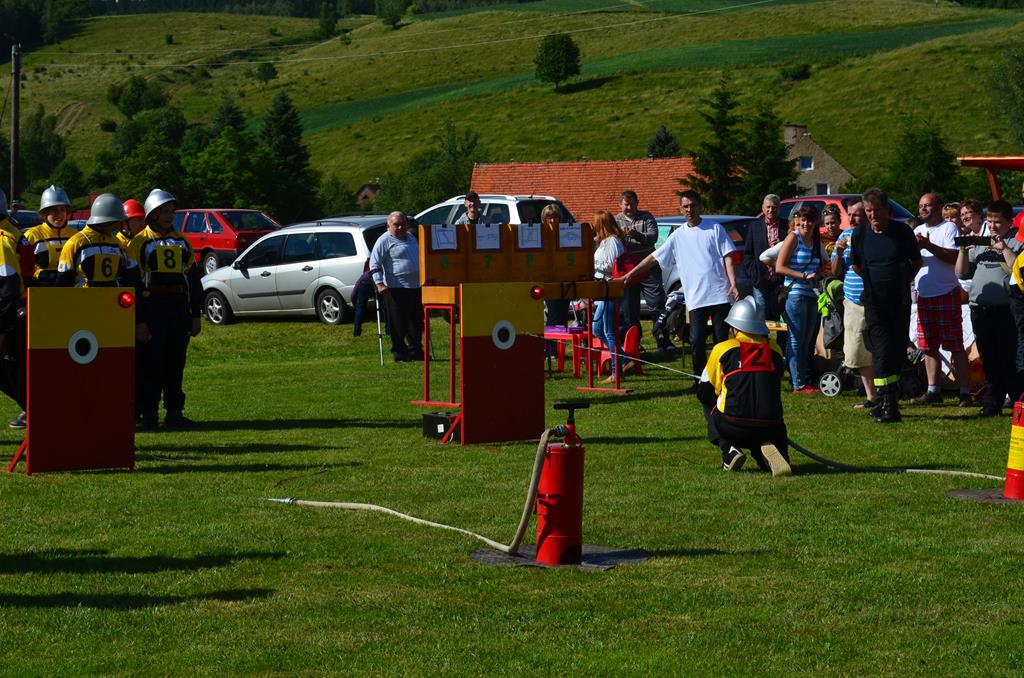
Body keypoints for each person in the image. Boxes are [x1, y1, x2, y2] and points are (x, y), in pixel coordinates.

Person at [620, 189, 738, 390]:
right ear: (681, 209)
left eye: (692, 205)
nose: (689, 209)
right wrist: (630, 274)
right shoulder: (678, 236)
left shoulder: (715, 228)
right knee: (696, 341)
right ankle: (700, 382)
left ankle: (726, 380)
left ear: (700, 206)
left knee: (721, 341)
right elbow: (653, 258)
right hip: (696, 298)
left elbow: (727, 256)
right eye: (685, 206)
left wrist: (733, 283)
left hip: (720, 294)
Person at [126, 189, 203, 432]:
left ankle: (174, 412)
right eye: (164, 212)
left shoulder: (182, 241)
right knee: (151, 364)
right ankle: (148, 414)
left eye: (172, 211)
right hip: (152, 308)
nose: (170, 216)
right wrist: (139, 320)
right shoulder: (139, 243)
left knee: (175, 363)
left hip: (177, 309)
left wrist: (195, 314)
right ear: (152, 214)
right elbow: (133, 284)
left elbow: (193, 280)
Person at [696, 296, 791, 477]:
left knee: (711, 407)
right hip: (771, 426)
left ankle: (729, 450)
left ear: (735, 327)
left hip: (733, 426)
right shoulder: (776, 351)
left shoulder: (722, 349)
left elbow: (704, 393)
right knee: (768, 425)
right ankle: (768, 454)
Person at [850, 187, 922, 424]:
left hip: (898, 301)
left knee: (895, 350)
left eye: (877, 210)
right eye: (869, 211)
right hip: (874, 301)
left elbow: (916, 261)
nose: (873, 215)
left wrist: (901, 281)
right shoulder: (860, 234)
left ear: (887, 210)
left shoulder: (901, 232)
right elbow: (856, 265)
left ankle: (890, 400)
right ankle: (888, 404)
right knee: (880, 351)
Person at [956, 200, 1022, 417]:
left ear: (1010, 222)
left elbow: (1018, 270)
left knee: (1009, 358)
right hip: (980, 309)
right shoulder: (982, 242)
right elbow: (961, 272)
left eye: (998, 222)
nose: (993, 226)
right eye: (990, 221)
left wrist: (1004, 249)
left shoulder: (1017, 241)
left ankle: (1017, 400)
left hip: (1006, 310)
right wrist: (963, 250)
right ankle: (992, 402)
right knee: (989, 359)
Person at [910, 192, 971, 407]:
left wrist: (928, 246)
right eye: (921, 206)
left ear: (938, 207)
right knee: (928, 346)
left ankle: (965, 392)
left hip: (946, 292)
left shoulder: (949, 228)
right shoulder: (917, 231)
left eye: (927, 205)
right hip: (924, 295)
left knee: (955, 345)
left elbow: (954, 257)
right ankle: (933, 390)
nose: (923, 209)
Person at [831, 201, 879, 409]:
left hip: (875, 300)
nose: (851, 219)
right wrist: (838, 251)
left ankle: (884, 393)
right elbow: (835, 272)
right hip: (852, 301)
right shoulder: (844, 236)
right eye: (849, 214)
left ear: (867, 215)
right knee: (856, 350)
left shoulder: (874, 234)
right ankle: (872, 396)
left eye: (856, 214)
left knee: (877, 349)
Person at [775, 204, 827, 393]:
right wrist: (804, 276)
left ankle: (803, 379)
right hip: (795, 295)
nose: (806, 224)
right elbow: (779, 267)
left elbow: (820, 265)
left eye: (810, 220)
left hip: (812, 295)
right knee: (796, 339)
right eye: (803, 220)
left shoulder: (815, 240)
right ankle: (798, 383)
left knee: (807, 340)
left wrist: (819, 273)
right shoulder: (793, 238)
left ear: (816, 222)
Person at [614, 189, 671, 351]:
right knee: (629, 309)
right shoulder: (615, 221)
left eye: (632, 204)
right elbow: (610, 241)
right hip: (627, 271)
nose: (629, 207)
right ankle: (634, 344)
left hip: (648, 269)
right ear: (620, 205)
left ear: (637, 203)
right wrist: (621, 237)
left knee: (657, 303)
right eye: (626, 204)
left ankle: (662, 339)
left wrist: (637, 235)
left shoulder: (647, 217)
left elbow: (653, 238)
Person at [370, 211, 424, 363]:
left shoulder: (411, 237)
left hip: (415, 286)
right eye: (396, 225)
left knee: (416, 322)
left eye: (403, 224)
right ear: (388, 226)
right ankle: (400, 354)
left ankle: (416, 351)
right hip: (395, 289)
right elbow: (374, 263)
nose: (400, 227)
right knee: (398, 324)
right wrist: (379, 283)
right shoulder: (384, 240)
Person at [56, 193, 138, 289]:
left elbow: (129, 276)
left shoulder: (117, 243)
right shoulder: (75, 243)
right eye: (116, 222)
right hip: (84, 298)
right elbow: (63, 282)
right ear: (105, 221)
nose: (118, 226)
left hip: (112, 298)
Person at [0, 188, 30, 423]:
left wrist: (2, 326)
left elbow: (8, 286)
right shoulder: (11, 233)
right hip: (18, 309)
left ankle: (34, 409)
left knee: (11, 368)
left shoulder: (3, 238)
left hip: (11, 314)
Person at [591, 210, 625, 383]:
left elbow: (611, 265)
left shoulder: (613, 241)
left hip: (611, 288)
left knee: (609, 332)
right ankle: (624, 359)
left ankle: (616, 371)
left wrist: (592, 264)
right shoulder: (603, 242)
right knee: (596, 329)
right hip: (603, 290)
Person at [744, 194, 787, 320]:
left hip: (781, 281)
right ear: (763, 208)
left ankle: (781, 336)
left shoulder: (787, 227)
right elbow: (748, 254)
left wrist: (782, 244)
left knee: (782, 318)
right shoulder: (754, 227)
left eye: (774, 207)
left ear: (779, 208)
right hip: (761, 280)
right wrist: (754, 274)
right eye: (768, 207)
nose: (770, 210)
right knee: (761, 318)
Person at [25, 185, 76, 285]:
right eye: (54, 210)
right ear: (45, 213)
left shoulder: (75, 235)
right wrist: (40, 274)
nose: (59, 214)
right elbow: (24, 264)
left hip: (70, 291)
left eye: (62, 209)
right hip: (41, 290)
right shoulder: (32, 235)